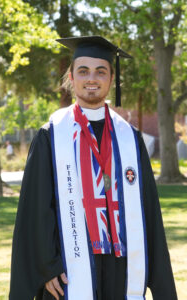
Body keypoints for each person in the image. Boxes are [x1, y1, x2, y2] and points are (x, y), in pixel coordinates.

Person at [9, 36, 177, 300]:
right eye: (83, 71)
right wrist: (47, 267)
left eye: (101, 71)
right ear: (71, 77)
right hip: (69, 264)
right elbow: (37, 209)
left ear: (112, 79)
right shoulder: (51, 136)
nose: (92, 79)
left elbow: (149, 212)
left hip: (122, 264)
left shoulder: (130, 138)